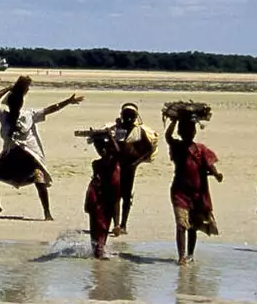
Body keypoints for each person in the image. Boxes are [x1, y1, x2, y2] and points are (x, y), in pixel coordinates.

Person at [0, 75, 84, 220]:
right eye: (13, 102)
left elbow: (51, 109)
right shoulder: (4, 116)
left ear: (21, 103)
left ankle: (47, 212)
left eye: (18, 102)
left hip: (29, 158)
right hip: (10, 158)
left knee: (40, 180)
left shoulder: (29, 115)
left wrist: (68, 101)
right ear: (9, 104)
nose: (16, 105)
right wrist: (10, 88)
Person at [166, 114, 223, 264]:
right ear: (180, 132)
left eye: (190, 130)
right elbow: (167, 136)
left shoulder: (201, 149)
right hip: (180, 192)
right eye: (184, 130)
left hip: (198, 194)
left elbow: (210, 164)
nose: (188, 133)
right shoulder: (177, 147)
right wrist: (173, 121)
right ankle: (181, 256)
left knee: (193, 226)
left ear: (194, 132)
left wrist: (217, 175)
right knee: (181, 224)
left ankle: (190, 254)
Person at [109, 103, 158, 236]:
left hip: (130, 168)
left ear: (136, 117)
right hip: (117, 167)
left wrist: (136, 163)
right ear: (122, 116)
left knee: (126, 196)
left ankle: (123, 224)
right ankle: (116, 224)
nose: (129, 119)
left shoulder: (139, 132)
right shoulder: (116, 130)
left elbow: (148, 149)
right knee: (115, 196)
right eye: (126, 116)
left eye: (131, 116)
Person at [83, 130, 121, 259]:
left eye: (102, 148)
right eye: (98, 148)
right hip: (98, 196)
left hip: (109, 196)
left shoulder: (113, 161)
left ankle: (99, 249)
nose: (100, 151)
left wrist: (110, 137)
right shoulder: (97, 163)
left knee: (104, 224)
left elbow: (117, 151)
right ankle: (97, 251)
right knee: (97, 224)